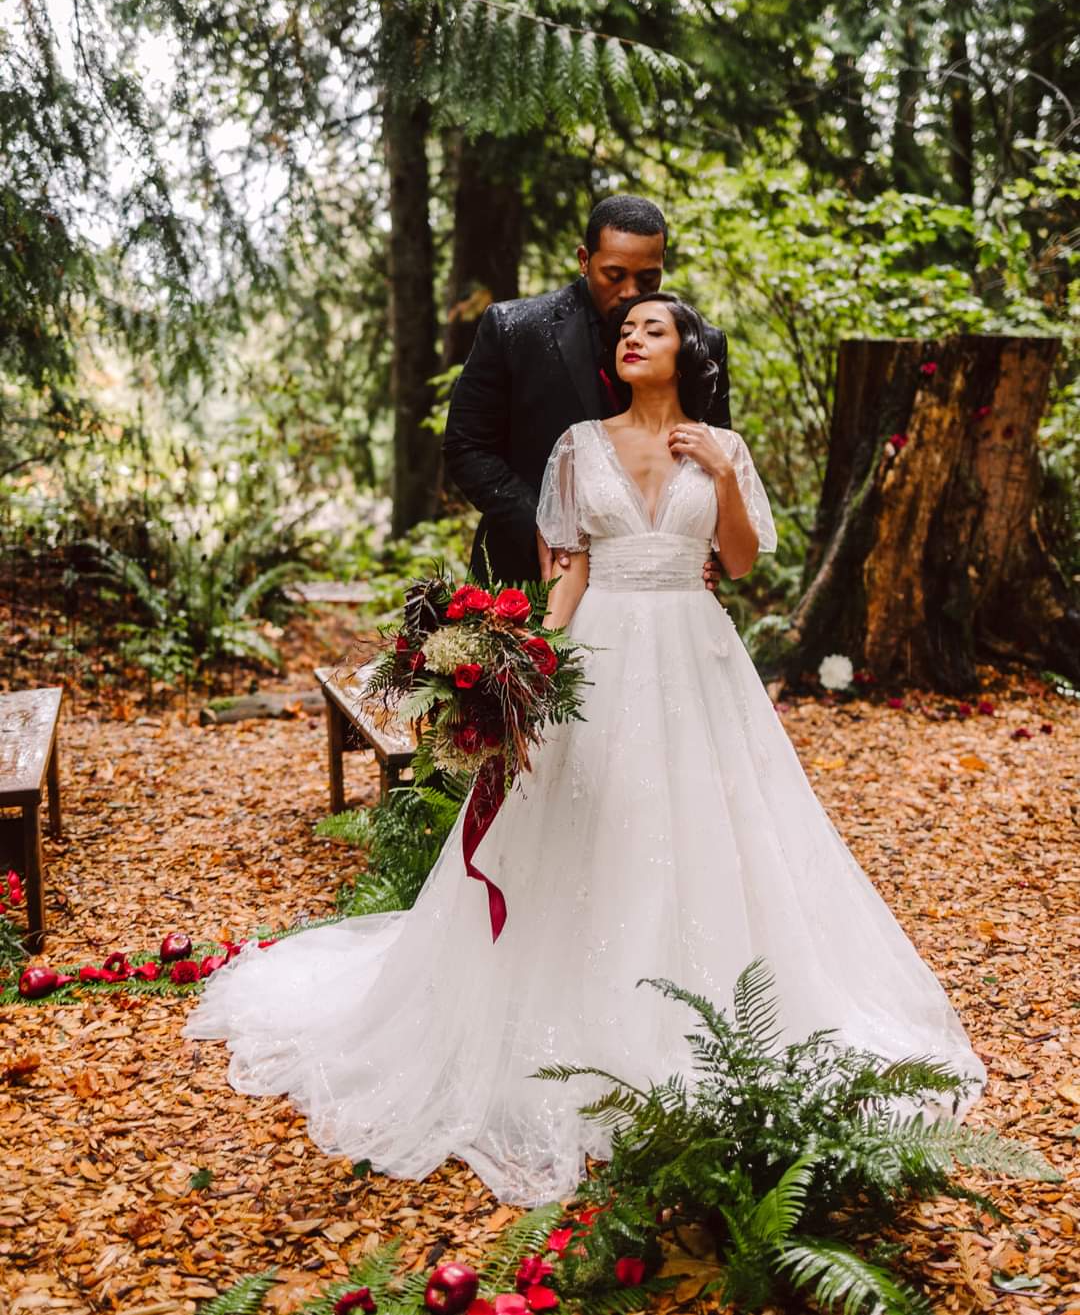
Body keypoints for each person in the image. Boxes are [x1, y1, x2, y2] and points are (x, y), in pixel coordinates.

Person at [185, 293, 985, 1207]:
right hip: (598, 655)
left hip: (695, 648)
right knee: (582, 820)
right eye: (626, 330)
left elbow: (744, 559)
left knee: (704, 828)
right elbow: (568, 568)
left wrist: (722, 471)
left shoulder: (722, 444)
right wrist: (524, 669)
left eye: (655, 327)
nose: (634, 336)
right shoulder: (577, 444)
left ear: (686, 349)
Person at [442, 194, 730, 587]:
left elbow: (714, 457)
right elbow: (465, 446)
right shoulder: (514, 329)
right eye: (614, 275)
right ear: (584, 260)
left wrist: (711, 550)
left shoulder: (702, 346)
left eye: (648, 279)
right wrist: (540, 525)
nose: (631, 292)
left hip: (655, 588)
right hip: (527, 574)